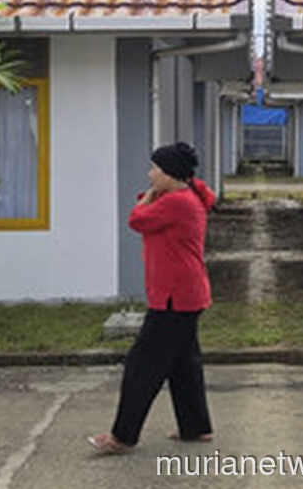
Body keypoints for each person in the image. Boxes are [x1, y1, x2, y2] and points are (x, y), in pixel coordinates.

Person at [89, 142, 216, 455]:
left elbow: (138, 219)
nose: (150, 174)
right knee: (184, 364)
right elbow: (146, 212)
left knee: (141, 366)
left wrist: (148, 196)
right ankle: (196, 426)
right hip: (186, 294)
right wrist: (152, 194)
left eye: (155, 169)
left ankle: (123, 437)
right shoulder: (185, 196)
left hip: (174, 298)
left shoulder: (178, 202)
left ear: (170, 173)